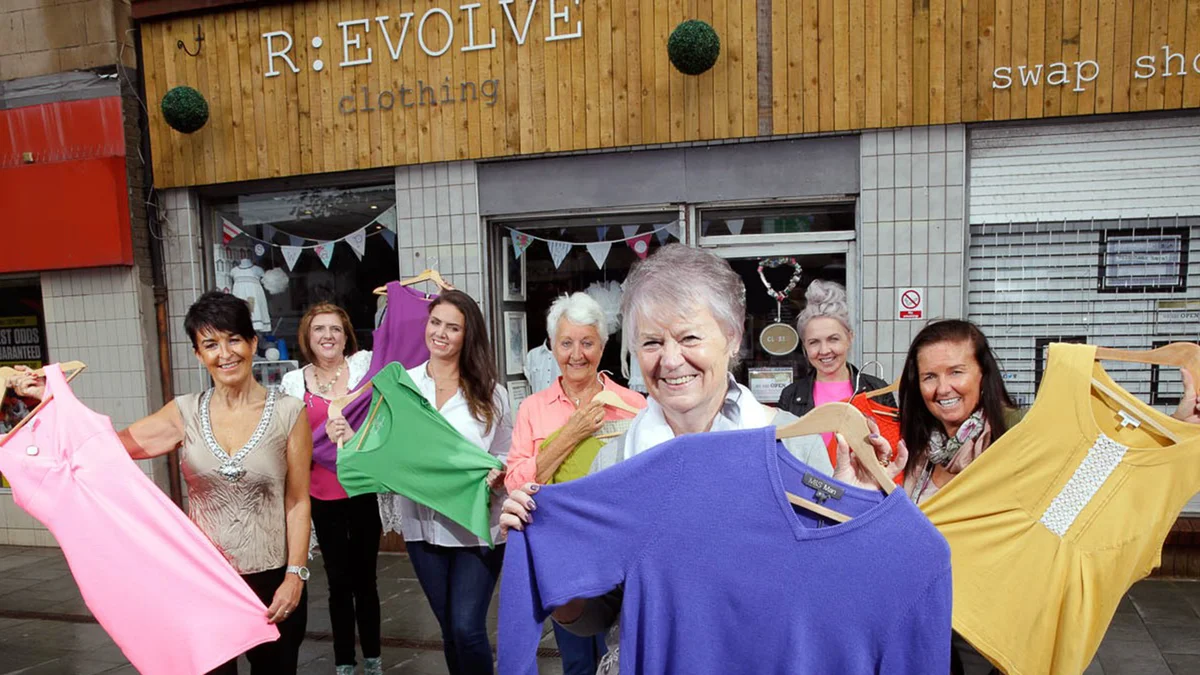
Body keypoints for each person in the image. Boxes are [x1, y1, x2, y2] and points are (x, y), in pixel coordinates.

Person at [501, 245, 901, 671]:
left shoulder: (790, 443)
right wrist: (549, 558)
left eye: (690, 337)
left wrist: (856, 515)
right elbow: (598, 613)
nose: (671, 361)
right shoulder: (617, 460)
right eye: (652, 342)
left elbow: (838, 592)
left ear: (731, 338)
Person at [111, 291, 312, 674]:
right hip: (204, 582)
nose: (225, 353)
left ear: (253, 343)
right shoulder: (183, 411)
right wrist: (48, 401)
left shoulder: (289, 412)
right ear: (198, 354)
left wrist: (295, 575)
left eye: (234, 339)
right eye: (210, 344)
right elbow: (107, 447)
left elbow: (298, 501)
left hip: (272, 581)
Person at [360, 290, 511, 675]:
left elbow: (510, 452)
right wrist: (348, 434)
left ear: (468, 335)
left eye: (453, 327)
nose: (441, 333)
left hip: (476, 528)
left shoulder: (491, 393)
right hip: (421, 528)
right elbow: (382, 444)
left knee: (467, 626)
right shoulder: (401, 387)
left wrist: (500, 469)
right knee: (448, 630)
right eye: (436, 322)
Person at [504, 292, 646, 674]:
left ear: (603, 345)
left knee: (629, 650)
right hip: (562, 553)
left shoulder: (634, 405)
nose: (577, 354)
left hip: (621, 551)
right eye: (566, 343)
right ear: (552, 347)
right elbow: (516, 481)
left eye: (587, 342)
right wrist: (572, 433)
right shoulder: (533, 409)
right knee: (577, 659)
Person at [280, 303, 382, 675]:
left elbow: (382, 417)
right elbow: (288, 440)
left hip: (361, 488)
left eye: (335, 329)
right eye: (319, 329)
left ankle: (373, 659)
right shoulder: (293, 384)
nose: (328, 336)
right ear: (308, 337)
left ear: (346, 336)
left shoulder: (363, 368)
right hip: (321, 494)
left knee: (366, 581)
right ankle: (343, 663)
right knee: (338, 583)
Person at [777, 280, 896, 462]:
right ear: (805, 347)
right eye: (814, 342)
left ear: (850, 338)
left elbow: (892, 450)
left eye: (833, 339)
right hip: (808, 488)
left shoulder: (877, 389)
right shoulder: (791, 396)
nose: (824, 350)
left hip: (862, 487)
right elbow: (782, 455)